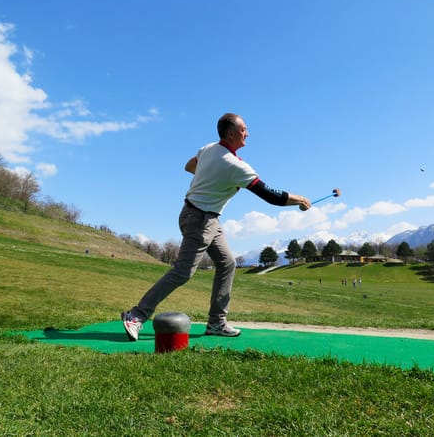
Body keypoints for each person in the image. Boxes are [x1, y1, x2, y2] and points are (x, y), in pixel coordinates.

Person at [121, 113, 312, 341]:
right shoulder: (236, 166)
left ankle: (216, 323)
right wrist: (300, 199)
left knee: (227, 263)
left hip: (203, 217)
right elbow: (271, 196)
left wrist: (213, 178)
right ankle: (136, 315)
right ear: (231, 133)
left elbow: (189, 166)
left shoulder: (209, 148)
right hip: (200, 221)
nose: (247, 134)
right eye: (243, 130)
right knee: (183, 272)